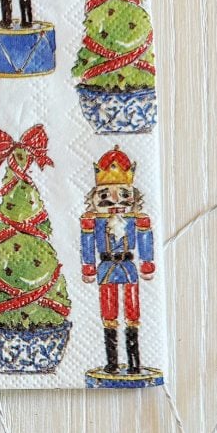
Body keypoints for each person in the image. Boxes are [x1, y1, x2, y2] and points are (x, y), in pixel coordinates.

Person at [81, 146, 155, 374]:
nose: (114, 200)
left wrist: (147, 262)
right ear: (95, 198)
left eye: (122, 194)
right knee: (109, 312)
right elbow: (87, 245)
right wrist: (88, 267)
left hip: (128, 266)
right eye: (105, 195)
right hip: (105, 267)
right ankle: (112, 363)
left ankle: (134, 363)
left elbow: (145, 241)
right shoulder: (95, 222)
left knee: (133, 312)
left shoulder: (135, 220)